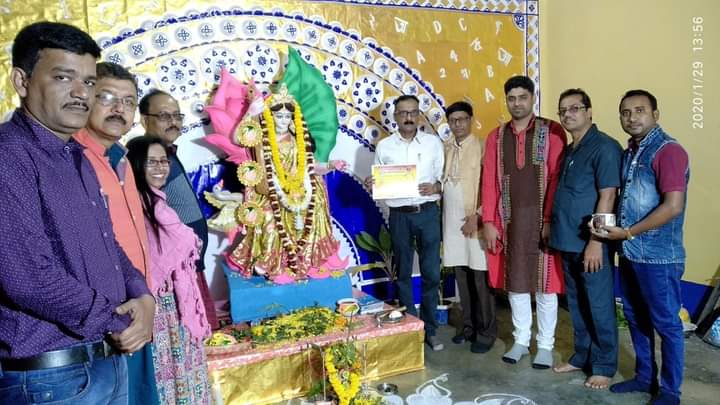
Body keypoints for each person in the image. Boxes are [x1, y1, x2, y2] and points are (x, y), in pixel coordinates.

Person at [0, 21, 154, 404]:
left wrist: (142, 296)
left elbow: (108, 245)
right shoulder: (9, 155)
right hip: (50, 378)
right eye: (63, 77)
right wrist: (119, 320)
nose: (81, 93)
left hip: (105, 361)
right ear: (22, 81)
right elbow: (27, 278)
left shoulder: (77, 156)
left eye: (88, 82)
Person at [593, 90, 689, 405]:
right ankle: (645, 377)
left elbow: (673, 206)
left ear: (655, 114)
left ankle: (670, 391)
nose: (632, 118)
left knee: (667, 324)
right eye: (625, 112)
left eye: (639, 110)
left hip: (659, 257)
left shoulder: (668, 151)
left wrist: (628, 232)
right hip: (631, 253)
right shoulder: (631, 152)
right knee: (635, 317)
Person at [74, 62, 159, 404]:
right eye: (107, 97)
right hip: (103, 320)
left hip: (137, 310)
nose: (118, 108)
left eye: (128, 101)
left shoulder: (122, 159)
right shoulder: (73, 159)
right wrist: (108, 317)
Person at [480, 75, 566, 368]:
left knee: (545, 285)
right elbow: (489, 182)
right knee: (515, 283)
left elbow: (556, 177)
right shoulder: (496, 136)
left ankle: (545, 345)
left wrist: (549, 219)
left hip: (542, 221)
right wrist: (489, 221)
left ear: (533, 98)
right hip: (510, 221)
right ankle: (520, 341)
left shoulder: (552, 131)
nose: (517, 103)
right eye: (511, 98)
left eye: (522, 97)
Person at [226, 83, 343, 281]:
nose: (283, 120)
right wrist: (250, 112)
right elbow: (237, 139)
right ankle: (272, 262)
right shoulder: (262, 140)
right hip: (272, 191)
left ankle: (309, 260)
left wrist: (331, 165)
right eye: (279, 116)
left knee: (316, 202)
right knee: (270, 218)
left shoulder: (298, 141)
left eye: (287, 116)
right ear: (270, 117)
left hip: (298, 190)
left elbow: (311, 167)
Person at [126, 135, 212, 405]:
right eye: (151, 162)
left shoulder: (158, 202)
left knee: (182, 368)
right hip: (159, 304)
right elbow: (167, 252)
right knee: (169, 372)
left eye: (163, 161)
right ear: (136, 165)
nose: (160, 168)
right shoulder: (139, 205)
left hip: (175, 301)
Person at [549, 89, 622, 389]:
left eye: (575, 108)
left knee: (599, 305)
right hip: (568, 239)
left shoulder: (604, 147)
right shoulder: (571, 149)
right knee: (577, 304)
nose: (568, 114)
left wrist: (597, 241)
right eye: (563, 110)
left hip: (591, 244)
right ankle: (582, 356)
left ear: (589, 111)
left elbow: (609, 196)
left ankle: (604, 365)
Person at [365, 94, 444, 351]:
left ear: (419, 115)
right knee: (403, 274)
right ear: (395, 117)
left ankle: (430, 329)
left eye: (413, 112)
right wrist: (373, 183)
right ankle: (412, 328)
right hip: (399, 215)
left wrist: (437, 186)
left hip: (428, 213)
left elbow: (443, 178)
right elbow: (379, 183)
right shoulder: (385, 147)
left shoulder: (433, 144)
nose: (408, 117)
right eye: (403, 113)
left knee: (432, 273)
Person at [139, 89, 219, 329]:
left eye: (177, 116)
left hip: (190, 263)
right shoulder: (145, 159)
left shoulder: (168, 153)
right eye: (164, 116)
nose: (173, 122)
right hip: (176, 270)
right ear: (144, 120)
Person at [442, 101, 496, 353]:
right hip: (451, 221)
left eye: (463, 119)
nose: (458, 124)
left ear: (471, 120)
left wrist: (479, 215)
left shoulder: (483, 147)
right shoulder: (445, 147)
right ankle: (468, 327)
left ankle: (486, 333)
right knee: (462, 276)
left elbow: (491, 186)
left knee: (479, 276)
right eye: (453, 120)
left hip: (475, 220)